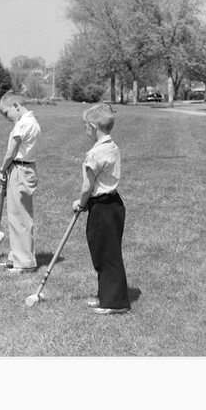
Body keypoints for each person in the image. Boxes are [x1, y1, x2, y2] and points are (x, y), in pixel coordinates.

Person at [72, 102, 131, 314]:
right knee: (104, 251)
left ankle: (116, 302)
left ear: (93, 127)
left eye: (85, 127)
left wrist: (81, 203)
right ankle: (106, 295)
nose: (85, 130)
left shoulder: (95, 154)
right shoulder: (113, 147)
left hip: (102, 209)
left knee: (106, 254)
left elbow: (87, 185)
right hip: (113, 204)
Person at [0, 91, 41, 273]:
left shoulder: (23, 124)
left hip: (20, 170)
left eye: (6, 113)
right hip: (25, 169)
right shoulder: (31, 122)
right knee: (17, 215)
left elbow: (11, 152)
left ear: (16, 106)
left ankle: (25, 263)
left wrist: (2, 169)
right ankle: (16, 257)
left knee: (19, 218)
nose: (6, 117)